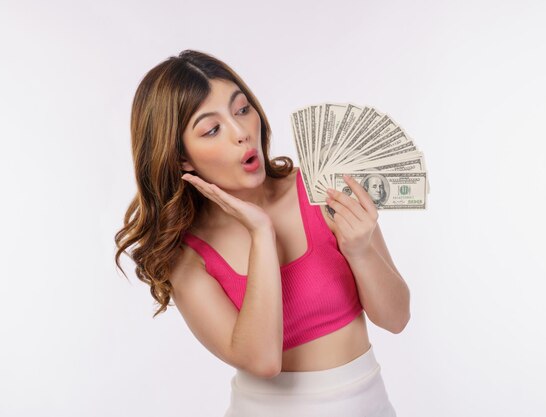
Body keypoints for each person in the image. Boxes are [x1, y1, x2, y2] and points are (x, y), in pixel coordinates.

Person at [114, 49, 410, 417]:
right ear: (182, 159)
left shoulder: (322, 190)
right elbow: (263, 361)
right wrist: (261, 233)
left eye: (241, 109)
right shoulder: (187, 257)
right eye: (212, 129)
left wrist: (361, 250)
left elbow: (396, 318)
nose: (241, 133)